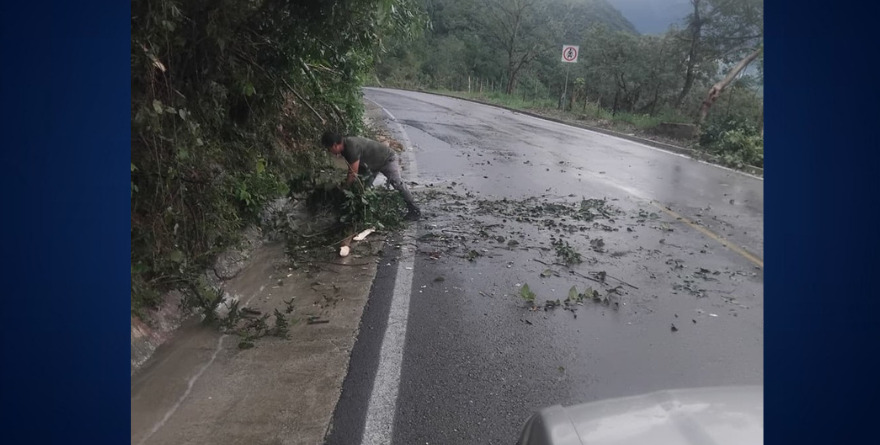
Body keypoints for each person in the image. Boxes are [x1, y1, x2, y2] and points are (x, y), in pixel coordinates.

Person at [320, 131, 421, 221]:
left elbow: (353, 173)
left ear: (335, 145)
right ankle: (360, 213)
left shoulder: (351, 147)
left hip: (387, 159)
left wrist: (345, 188)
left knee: (397, 183)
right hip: (370, 166)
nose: (330, 152)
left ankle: (414, 209)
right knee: (362, 189)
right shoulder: (344, 148)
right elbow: (353, 169)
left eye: (329, 149)